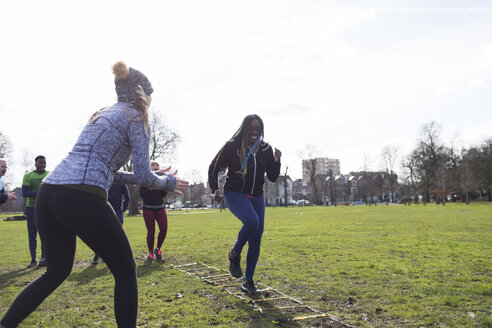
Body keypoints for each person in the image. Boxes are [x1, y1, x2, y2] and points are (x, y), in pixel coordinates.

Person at [0, 62, 189, 328]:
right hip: (81, 196)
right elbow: (146, 176)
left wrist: (157, 180)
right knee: (124, 270)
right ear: (141, 94)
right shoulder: (137, 117)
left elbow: (109, 172)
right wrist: (167, 182)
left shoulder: (101, 115)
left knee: (56, 272)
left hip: (50, 193)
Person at [208, 114, 281, 294]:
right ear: (245, 128)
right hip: (235, 193)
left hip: (257, 195)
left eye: (258, 129)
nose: (255, 132)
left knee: (256, 239)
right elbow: (214, 166)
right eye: (252, 129)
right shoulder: (232, 146)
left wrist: (277, 161)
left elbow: (272, 177)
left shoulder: (265, 149)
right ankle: (235, 253)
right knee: (252, 221)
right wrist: (215, 188)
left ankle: (248, 281)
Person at [92, 183, 130, 265]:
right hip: (103, 210)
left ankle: (118, 257)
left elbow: (127, 196)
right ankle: (97, 256)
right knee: (101, 234)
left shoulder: (121, 181)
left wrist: (123, 210)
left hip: (117, 211)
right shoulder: (103, 178)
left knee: (118, 235)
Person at [22, 155, 49, 268]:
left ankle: (44, 258)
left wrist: (37, 193)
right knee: (32, 234)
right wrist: (42, 192)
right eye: (40, 163)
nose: (43, 165)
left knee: (44, 234)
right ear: (35, 164)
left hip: (45, 208)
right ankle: (33, 259)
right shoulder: (28, 176)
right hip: (31, 208)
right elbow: (25, 193)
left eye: (44, 163)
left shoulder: (49, 175)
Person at [139, 161, 169, 261]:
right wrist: (151, 187)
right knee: (151, 231)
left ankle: (158, 249)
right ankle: (150, 253)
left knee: (164, 229)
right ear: (150, 168)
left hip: (160, 207)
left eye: (157, 166)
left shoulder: (161, 179)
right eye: (153, 165)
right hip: (148, 208)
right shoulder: (144, 179)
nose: (155, 167)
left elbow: (163, 194)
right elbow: (142, 194)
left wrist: (164, 185)